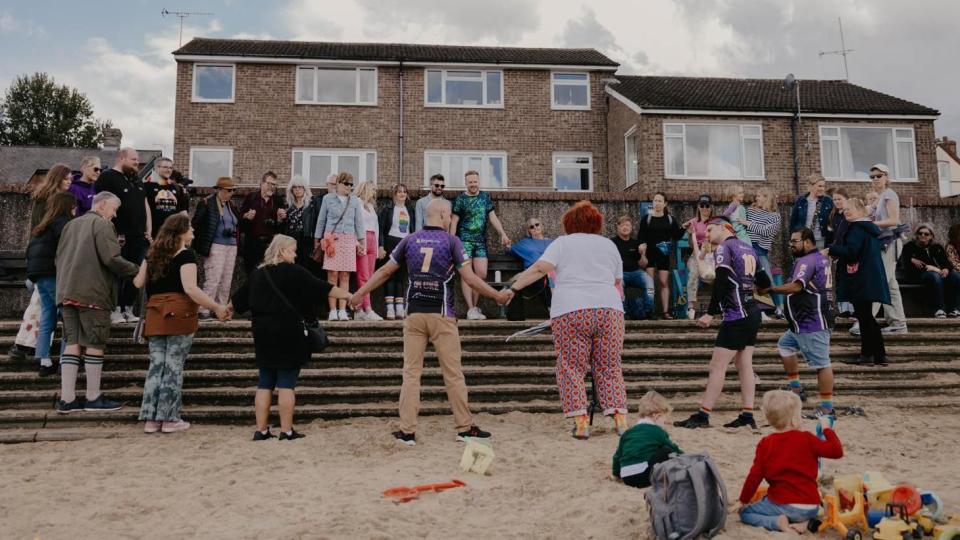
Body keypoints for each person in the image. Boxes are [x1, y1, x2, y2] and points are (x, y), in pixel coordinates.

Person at [349, 198, 505, 446]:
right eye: (449, 214)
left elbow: (384, 271)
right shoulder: (451, 241)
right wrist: (496, 295)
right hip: (442, 313)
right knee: (453, 374)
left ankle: (407, 431)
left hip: (414, 313)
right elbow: (470, 278)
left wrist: (360, 293)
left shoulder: (409, 240)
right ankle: (464, 428)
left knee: (411, 374)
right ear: (443, 214)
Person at [508, 201, 629, 439]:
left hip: (571, 310)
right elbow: (617, 283)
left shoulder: (562, 243)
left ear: (568, 223)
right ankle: (620, 420)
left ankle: (581, 422)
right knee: (609, 366)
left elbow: (540, 268)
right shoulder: (609, 245)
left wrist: (513, 288)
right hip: (609, 310)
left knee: (571, 368)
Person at [232, 235, 351, 441]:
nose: (295, 255)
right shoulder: (294, 272)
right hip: (289, 332)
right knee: (286, 383)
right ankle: (286, 431)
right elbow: (323, 287)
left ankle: (261, 430)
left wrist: (222, 310)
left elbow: (238, 303)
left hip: (262, 333)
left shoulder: (257, 274)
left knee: (265, 382)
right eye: (293, 250)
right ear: (283, 251)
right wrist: (350, 297)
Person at [133, 214, 229, 434]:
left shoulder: (152, 254)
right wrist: (215, 307)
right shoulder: (185, 255)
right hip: (178, 314)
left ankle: (150, 419)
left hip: (155, 314)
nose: (193, 232)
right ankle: (169, 418)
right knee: (173, 366)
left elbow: (138, 282)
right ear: (181, 232)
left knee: (156, 366)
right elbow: (191, 289)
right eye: (190, 229)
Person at [675, 217, 766, 430]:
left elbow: (722, 280)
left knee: (717, 366)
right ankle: (747, 415)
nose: (706, 234)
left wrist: (710, 312)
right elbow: (764, 282)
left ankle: (703, 415)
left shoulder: (725, 247)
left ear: (725, 228)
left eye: (710, 229)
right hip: (752, 312)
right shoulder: (748, 248)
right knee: (745, 365)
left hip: (736, 315)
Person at [54, 191, 139, 413]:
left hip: (67, 292)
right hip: (93, 293)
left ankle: (67, 399)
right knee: (94, 344)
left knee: (72, 343)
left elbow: (58, 258)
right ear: (101, 205)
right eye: (114, 209)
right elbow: (111, 258)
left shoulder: (71, 225)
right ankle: (92, 397)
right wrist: (137, 272)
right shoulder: (102, 225)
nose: (115, 215)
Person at [735, 390, 843, 533]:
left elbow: (754, 477)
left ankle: (777, 523)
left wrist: (743, 500)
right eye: (800, 415)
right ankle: (804, 522)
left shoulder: (765, 444)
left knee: (745, 513)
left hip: (784, 504)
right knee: (779, 500)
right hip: (812, 506)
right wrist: (827, 429)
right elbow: (837, 451)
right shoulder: (808, 439)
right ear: (794, 420)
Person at [758, 228, 836, 418]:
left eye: (795, 241)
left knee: (822, 364)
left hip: (811, 322)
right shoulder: (820, 258)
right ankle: (796, 389)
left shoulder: (806, 261)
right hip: (803, 322)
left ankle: (827, 408)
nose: (790, 244)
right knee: (785, 346)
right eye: (790, 241)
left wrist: (772, 289)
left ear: (808, 242)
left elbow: (796, 286)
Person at [9, 164, 74, 361]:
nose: (69, 182)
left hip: (41, 260)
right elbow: (45, 229)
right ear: (57, 179)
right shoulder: (50, 202)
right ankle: (26, 345)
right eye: (66, 178)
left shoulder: (45, 198)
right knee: (43, 308)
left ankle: (34, 349)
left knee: (42, 308)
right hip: (48, 261)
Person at [827, 198, 890, 366]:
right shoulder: (867, 228)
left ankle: (867, 355)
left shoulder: (856, 228)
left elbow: (851, 252)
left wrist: (831, 249)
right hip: (869, 277)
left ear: (861, 211)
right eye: (845, 209)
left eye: (851, 209)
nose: (846, 211)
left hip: (860, 279)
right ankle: (879, 355)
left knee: (864, 317)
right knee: (867, 317)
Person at [95, 147, 151, 324]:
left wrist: (148, 230)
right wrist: (112, 230)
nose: (137, 163)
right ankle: (115, 308)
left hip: (139, 236)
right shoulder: (108, 177)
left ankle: (127, 307)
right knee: (118, 272)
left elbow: (145, 204)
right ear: (121, 158)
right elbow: (102, 205)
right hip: (120, 235)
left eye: (137, 160)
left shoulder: (137, 180)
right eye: (133, 159)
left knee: (137, 272)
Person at [25, 192, 76, 376]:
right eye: (73, 207)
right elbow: (68, 250)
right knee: (68, 316)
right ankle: (65, 359)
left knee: (47, 317)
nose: (75, 210)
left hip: (39, 276)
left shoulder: (43, 225)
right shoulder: (63, 224)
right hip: (55, 275)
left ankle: (44, 360)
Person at [450, 170, 511, 320]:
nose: (473, 184)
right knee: (466, 275)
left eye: (475, 181)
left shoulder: (485, 197)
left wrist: (503, 233)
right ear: (466, 183)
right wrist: (451, 241)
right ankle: (470, 308)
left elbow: (492, 217)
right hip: (464, 241)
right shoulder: (460, 200)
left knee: (481, 274)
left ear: (479, 181)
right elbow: (454, 221)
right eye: (470, 182)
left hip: (480, 242)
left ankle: (475, 308)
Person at [314, 172, 364, 321]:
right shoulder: (328, 199)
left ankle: (343, 310)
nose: (349, 187)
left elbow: (359, 223)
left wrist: (361, 243)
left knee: (345, 275)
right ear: (339, 184)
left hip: (349, 239)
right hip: (332, 239)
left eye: (351, 184)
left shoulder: (354, 201)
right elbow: (321, 220)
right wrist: (317, 240)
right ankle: (333, 310)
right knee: (332, 275)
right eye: (346, 184)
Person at [611, 391, 682, 489]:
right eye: (664, 421)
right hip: (643, 476)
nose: (664, 424)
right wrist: (686, 457)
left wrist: (616, 474)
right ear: (656, 416)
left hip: (626, 477)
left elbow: (617, 456)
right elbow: (674, 448)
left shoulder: (628, 432)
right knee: (666, 450)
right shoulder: (657, 431)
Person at [192, 177, 240, 319]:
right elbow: (196, 223)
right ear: (218, 190)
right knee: (213, 278)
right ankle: (204, 309)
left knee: (226, 279)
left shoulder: (231, 205)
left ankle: (220, 308)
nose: (231, 193)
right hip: (215, 245)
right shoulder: (207, 203)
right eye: (228, 190)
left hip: (231, 246)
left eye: (233, 191)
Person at [869, 164, 907, 333]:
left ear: (886, 177)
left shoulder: (889, 194)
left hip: (890, 242)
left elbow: (893, 220)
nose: (875, 179)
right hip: (884, 243)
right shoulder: (880, 196)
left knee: (880, 280)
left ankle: (865, 320)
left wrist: (870, 224)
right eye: (872, 177)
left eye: (879, 175)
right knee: (891, 284)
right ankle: (898, 323)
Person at [637, 192, 684, 319]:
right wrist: (642, 249)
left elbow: (677, 236)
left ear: (665, 203)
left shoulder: (670, 219)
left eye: (659, 201)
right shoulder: (646, 219)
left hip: (664, 255)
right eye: (655, 200)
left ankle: (665, 311)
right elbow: (640, 237)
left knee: (664, 282)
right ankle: (650, 310)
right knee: (650, 284)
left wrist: (685, 228)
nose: (657, 203)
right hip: (650, 255)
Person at [901, 224, 960, 318]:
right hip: (919, 275)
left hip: (937, 273)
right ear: (916, 235)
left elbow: (946, 263)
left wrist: (946, 269)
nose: (923, 236)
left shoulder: (936, 247)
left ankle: (955, 309)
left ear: (931, 236)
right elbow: (909, 264)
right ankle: (939, 309)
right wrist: (912, 260)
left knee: (955, 275)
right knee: (935, 276)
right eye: (920, 233)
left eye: (926, 234)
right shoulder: (909, 246)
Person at [377, 183, 415, 319]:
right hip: (391, 242)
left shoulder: (410, 210)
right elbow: (381, 229)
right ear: (394, 194)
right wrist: (381, 246)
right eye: (399, 192)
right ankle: (390, 308)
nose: (402, 194)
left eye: (404, 191)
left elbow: (413, 230)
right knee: (390, 275)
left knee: (400, 276)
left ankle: (400, 307)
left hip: (405, 243)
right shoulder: (387, 209)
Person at [239, 172, 287, 275]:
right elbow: (240, 222)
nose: (272, 187)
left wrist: (280, 220)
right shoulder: (251, 198)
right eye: (269, 183)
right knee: (252, 275)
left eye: (274, 184)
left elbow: (282, 229)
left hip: (271, 246)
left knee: (269, 276)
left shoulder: (278, 200)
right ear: (261, 183)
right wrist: (247, 217)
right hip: (252, 245)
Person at [507, 217, 554, 320]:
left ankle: (553, 309)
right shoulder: (524, 243)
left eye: (537, 224)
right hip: (532, 277)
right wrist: (507, 245)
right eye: (531, 227)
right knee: (541, 276)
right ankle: (551, 308)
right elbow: (510, 250)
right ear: (529, 231)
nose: (535, 228)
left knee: (547, 275)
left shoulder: (552, 243)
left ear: (542, 225)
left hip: (551, 275)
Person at [611, 216, 653, 320]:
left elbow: (643, 265)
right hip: (620, 274)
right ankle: (622, 312)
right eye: (622, 225)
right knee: (618, 285)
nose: (625, 227)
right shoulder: (612, 243)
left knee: (650, 282)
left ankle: (648, 311)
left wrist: (642, 254)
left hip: (636, 272)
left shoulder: (637, 243)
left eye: (628, 225)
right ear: (618, 227)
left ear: (631, 228)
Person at [682, 194, 715, 319]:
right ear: (698, 206)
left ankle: (721, 305)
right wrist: (690, 234)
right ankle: (691, 307)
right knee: (693, 273)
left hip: (712, 253)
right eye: (702, 205)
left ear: (711, 207)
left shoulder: (716, 221)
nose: (705, 208)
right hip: (697, 253)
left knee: (721, 272)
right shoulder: (694, 222)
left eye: (707, 205)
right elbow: (691, 244)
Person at [354, 180, 382, 321]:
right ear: (365, 189)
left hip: (372, 240)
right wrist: (358, 242)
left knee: (369, 277)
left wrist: (376, 248)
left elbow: (375, 227)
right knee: (363, 276)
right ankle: (368, 308)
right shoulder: (357, 204)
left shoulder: (371, 206)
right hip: (362, 239)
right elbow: (354, 224)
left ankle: (359, 309)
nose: (374, 192)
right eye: (372, 189)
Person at [827, 188, 855, 318]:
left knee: (851, 280)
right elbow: (835, 236)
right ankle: (844, 310)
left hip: (850, 252)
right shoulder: (834, 215)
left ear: (846, 199)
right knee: (840, 279)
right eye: (835, 199)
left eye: (840, 199)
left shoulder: (850, 214)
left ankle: (853, 309)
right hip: (839, 253)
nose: (837, 201)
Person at [145, 157, 189, 237]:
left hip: (173, 233)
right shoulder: (146, 187)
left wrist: (188, 229)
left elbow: (183, 211)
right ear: (156, 168)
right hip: (154, 234)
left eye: (170, 168)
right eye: (165, 167)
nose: (169, 170)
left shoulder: (177, 188)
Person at [281, 176, 316, 273]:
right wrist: (281, 218)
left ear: (305, 188)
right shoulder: (288, 205)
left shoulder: (311, 205)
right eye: (294, 187)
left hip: (305, 240)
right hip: (290, 240)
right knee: (290, 267)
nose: (297, 190)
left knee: (305, 268)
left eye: (300, 187)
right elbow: (283, 225)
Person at [789, 174, 834, 249]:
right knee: (804, 260)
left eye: (823, 186)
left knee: (819, 260)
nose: (822, 189)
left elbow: (833, 221)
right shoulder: (801, 201)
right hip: (804, 240)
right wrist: (792, 240)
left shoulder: (828, 201)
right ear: (811, 186)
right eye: (819, 186)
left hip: (821, 240)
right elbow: (793, 222)